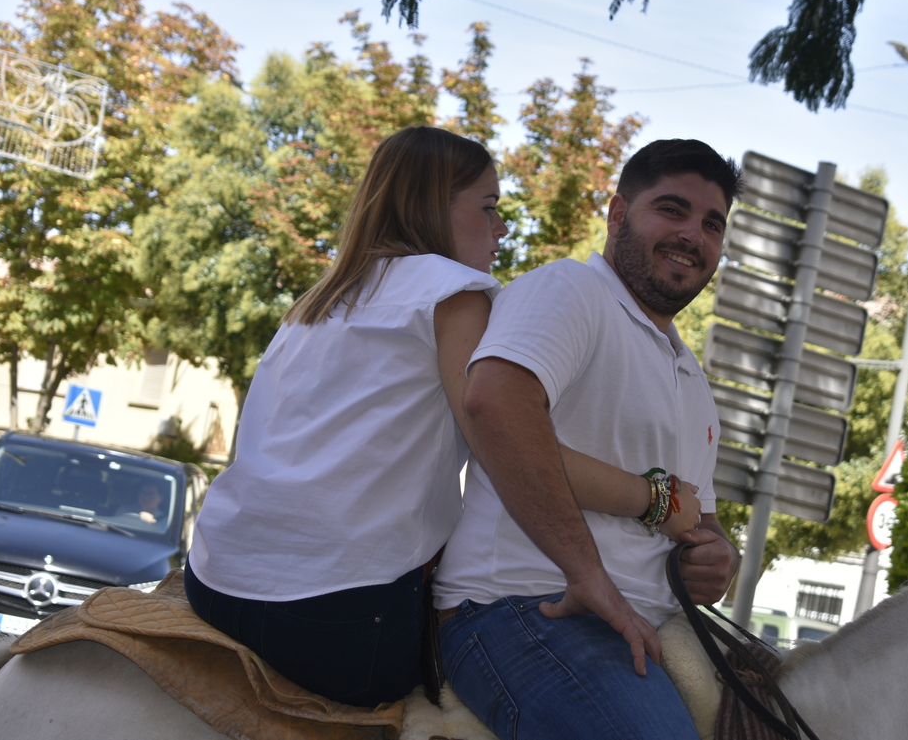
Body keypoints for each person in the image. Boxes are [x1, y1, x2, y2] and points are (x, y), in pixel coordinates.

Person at [183, 126, 702, 709]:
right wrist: (659, 500)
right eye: (488, 208)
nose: (502, 228)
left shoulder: (319, 300)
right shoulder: (456, 293)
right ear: (431, 207)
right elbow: (505, 441)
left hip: (212, 576)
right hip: (333, 607)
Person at [434, 138, 744, 740]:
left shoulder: (692, 378)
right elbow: (495, 406)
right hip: (525, 607)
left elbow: (697, 519)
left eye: (712, 224)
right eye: (672, 210)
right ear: (617, 214)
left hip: (631, 626)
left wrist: (717, 559)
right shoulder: (571, 289)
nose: (694, 235)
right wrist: (590, 575)